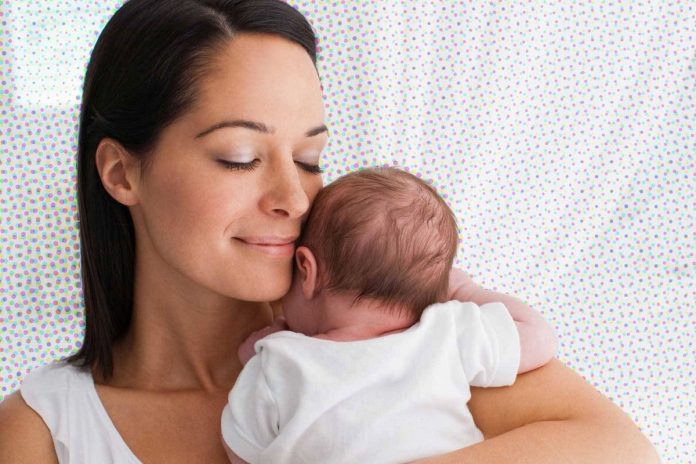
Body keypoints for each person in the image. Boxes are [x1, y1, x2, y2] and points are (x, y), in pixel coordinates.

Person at [0, 0, 660, 463]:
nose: (295, 196)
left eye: (311, 160)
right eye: (239, 157)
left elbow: (625, 452)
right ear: (122, 173)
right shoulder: (42, 429)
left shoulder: (395, 328)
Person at [222, 166, 559, 463]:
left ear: (306, 271)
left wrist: (254, 361)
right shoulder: (444, 333)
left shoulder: (278, 362)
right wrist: (464, 291)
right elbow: (538, 338)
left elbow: (241, 448)